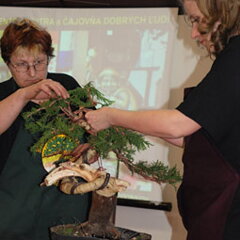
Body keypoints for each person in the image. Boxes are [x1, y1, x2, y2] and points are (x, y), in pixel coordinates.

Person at [86, 0, 240, 239]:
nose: (193, 33)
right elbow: (188, 137)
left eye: (197, 20)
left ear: (220, 14)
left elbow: (177, 126)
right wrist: (125, 125)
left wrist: (110, 116)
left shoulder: (235, 59)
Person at [0, 18, 90, 240]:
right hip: (13, 210)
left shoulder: (67, 86)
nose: (32, 72)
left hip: (67, 205)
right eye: (21, 64)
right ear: (7, 63)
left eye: (39, 62)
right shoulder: (3, 95)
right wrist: (25, 94)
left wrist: (90, 146)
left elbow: (93, 130)